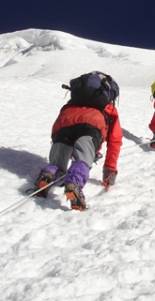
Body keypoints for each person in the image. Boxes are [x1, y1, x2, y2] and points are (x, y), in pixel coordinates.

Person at [32, 72, 122, 210]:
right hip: (91, 127)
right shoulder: (108, 108)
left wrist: (57, 139)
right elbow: (114, 141)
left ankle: (49, 174)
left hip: (64, 123)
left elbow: (60, 120)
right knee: (82, 160)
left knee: (57, 163)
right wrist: (109, 170)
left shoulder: (75, 100)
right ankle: (74, 182)